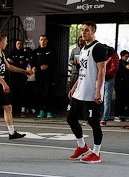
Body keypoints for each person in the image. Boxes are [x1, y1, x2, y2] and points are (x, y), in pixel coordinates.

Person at [66, 22, 108, 163]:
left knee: (93, 122)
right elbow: (83, 70)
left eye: (87, 30)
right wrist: (74, 86)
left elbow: (102, 71)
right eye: (83, 30)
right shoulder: (83, 48)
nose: (84, 33)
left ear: (93, 31)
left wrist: (98, 91)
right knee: (70, 118)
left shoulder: (99, 48)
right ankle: (82, 146)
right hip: (80, 91)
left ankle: (96, 153)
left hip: (92, 92)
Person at [31, 34, 56, 118]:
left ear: (47, 41)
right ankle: (41, 111)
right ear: (39, 41)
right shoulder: (35, 51)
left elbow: (55, 62)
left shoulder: (51, 50)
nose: (43, 41)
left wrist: (47, 66)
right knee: (39, 93)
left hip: (49, 76)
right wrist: (33, 67)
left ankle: (49, 111)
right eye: (41, 39)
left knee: (48, 92)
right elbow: (32, 62)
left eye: (44, 39)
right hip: (39, 76)